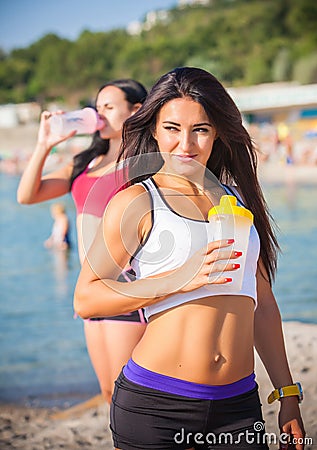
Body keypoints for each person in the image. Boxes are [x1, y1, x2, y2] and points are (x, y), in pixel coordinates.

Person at [74, 67, 305, 449]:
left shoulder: (238, 201)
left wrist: (288, 393)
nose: (186, 144)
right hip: (156, 407)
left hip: (239, 408)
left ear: (217, 132)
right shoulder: (136, 202)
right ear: (152, 129)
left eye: (200, 129)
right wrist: (181, 277)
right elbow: (86, 298)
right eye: (171, 128)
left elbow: (262, 305)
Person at [17, 79, 148, 404]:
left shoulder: (145, 164)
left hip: (126, 289)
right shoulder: (84, 163)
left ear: (137, 110)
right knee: (108, 394)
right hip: (89, 292)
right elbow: (27, 195)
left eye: (108, 107)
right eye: (97, 107)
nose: (99, 114)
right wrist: (45, 144)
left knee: (128, 397)